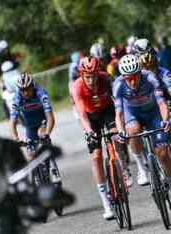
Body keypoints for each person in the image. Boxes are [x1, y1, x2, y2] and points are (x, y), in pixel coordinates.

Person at [113, 54, 171, 213]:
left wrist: (165, 120)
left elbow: (162, 103)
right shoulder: (118, 85)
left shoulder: (150, 77)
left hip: (153, 113)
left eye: (136, 76)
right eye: (128, 78)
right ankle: (141, 166)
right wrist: (121, 131)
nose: (133, 81)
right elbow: (119, 114)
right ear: (123, 77)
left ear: (140, 73)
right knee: (133, 131)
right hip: (132, 114)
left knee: (163, 153)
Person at [73, 56, 132, 220]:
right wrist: (89, 132)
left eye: (93, 76)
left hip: (107, 111)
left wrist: (121, 124)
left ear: (98, 73)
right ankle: (106, 202)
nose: (91, 80)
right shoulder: (77, 86)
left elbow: (118, 100)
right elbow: (81, 114)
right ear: (82, 75)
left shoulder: (106, 78)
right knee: (96, 156)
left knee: (116, 137)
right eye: (87, 76)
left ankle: (123, 168)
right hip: (90, 118)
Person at [138, 46, 171, 170]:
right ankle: (150, 155)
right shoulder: (139, 77)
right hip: (148, 101)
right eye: (147, 68)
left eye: (152, 67)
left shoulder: (164, 73)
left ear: (157, 65)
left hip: (164, 98)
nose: (150, 71)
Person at [9, 72, 61, 182]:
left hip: (42, 123)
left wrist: (47, 133)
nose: (26, 92)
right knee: (30, 156)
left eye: (28, 89)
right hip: (29, 126)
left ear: (33, 86)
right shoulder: (17, 99)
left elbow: (50, 118)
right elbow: (12, 123)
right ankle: (36, 179)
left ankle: (51, 169)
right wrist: (15, 139)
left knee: (41, 135)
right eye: (22, 90)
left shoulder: (41, 94)